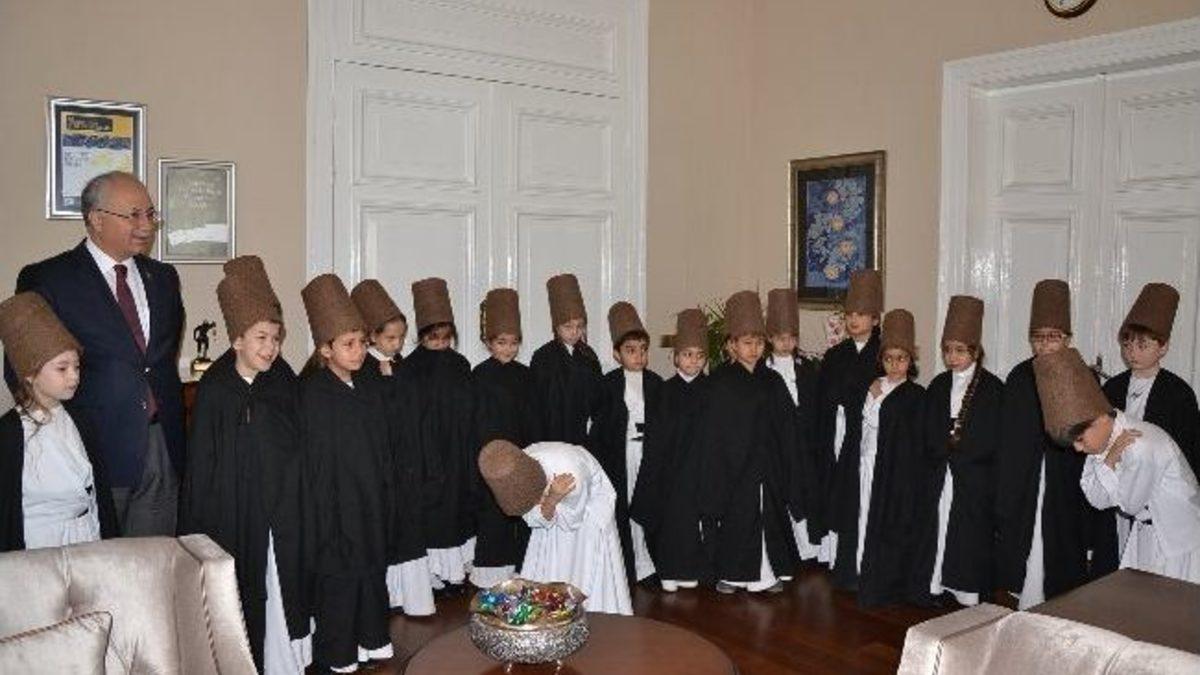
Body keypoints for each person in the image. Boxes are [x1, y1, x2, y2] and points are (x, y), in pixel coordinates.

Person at [10, 171, 184, 536]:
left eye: (150, 214)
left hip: (160, 445)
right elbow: (20, 368)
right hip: (90, 447)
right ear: (96, 219)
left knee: (152, 562)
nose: (146, 225)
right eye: (133, 215)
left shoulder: (164, 278)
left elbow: (160, 359)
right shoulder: (50, 279)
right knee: (97, 563)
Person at [180, 257, 311, 672]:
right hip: (236, 515)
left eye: (276, 338)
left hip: (282, 514)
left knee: (281, 586)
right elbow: (203, 466)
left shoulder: (283, 380)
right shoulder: (216, 389)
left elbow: (298, 444)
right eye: (261, 338)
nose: (270, 348)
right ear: (237, 340)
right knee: (243, 592)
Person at [1035, 348, 1200, 584]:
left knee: (1171, 601)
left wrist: (1107, 463)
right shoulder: (1105, 443)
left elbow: (1130, 505)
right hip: (1146, 533)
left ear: (1102, 418)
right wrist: (1109, 460)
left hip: (1175, 541)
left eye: (1079, 439)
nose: (1078, 449)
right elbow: (1097, 499)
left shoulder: (1140, 445)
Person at [299, 274, 393, 673]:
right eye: (348, 344)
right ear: (326, 348)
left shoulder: (366, 386)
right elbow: (318, 463)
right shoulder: (313, 394)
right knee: (340, 576)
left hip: (368, 499)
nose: (358, 352)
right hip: (336, 507)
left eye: (361, 343)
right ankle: (339, 652)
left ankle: (370, 639)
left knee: (371, 568)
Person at [997, 280, 1095, 609]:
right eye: (1038, 337)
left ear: (1067, 339)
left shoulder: (1082, 375)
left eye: (1053, 337)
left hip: (1065, 478)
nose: (1045, 344)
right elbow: (1010, 437)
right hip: (1025, 476)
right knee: (1025, 542)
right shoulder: (1019, 376)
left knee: (1061, 543)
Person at [697, 291, 799, 594]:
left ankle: (766, 574)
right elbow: (713, 431)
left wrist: (783, 461)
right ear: (732, 345)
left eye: (758, 343)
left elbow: (786, 426)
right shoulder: (719, 383)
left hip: (767, 466)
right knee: (737, 519)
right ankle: (732, 574)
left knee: (766, 519)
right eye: (746, 343)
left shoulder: (773, 381)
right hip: (733, 467)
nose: (754, 349)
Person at [0, 292, 117, 551]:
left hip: (88, 539)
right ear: (30, 374)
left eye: (77, 366)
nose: (74, 377)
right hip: (40, 548)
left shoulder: (80, 420)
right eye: (62, 368)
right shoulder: (10, 434)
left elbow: (99, 496)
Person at [830, 309, 926, 607]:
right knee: (860, 517)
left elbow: (912, 442)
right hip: (864, 465)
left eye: (901, 358)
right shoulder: (872, 386)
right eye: (889, 358)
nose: (894, 365)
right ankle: (855, 571)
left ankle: (880, 577)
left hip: (892, 473)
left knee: (882, 523)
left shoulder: (915, 396)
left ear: (910, 360)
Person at [351, 279, 434, 616]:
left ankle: (410, 596)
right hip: (385, 463)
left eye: (401, 337)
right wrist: (387, 383)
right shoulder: (363, 369)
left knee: (409, 527)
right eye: (390, 338)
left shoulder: (402, 366)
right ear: (372, 336)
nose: (397, 344)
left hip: (407, 460)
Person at [915, 295, 1002, 607]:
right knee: (937, 528)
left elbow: (991, 435)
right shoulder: (939, 385)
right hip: (941, 472)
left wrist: (962, 453)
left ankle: (966, 590)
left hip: (972, 476)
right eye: (947, 350)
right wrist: (941, 451)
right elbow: (927, 428)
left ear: (975, 351)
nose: (952, 357)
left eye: (960, 350)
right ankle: (935, 583)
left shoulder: (992, 388)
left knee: (967, 533)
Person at [478, 439, 632, 615]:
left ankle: (577, 612)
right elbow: (535, 517)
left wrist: (551, 499)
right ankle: (549, 607)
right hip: (556, 504)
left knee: (581, 569)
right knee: (549, 563)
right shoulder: (518, 466)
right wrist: (549, 501)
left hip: (587, 514)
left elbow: (572, 522)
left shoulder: (571, 474)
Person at [395, 277, 476, 594]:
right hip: (426, 455)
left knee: (457, 512)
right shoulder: (410, 369)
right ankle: (433, 576)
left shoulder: (461, 364)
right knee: (433, 517)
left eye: (446, 338)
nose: (441, 343)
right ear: (422, 335)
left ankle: (455, 574)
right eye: (434, 338)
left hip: (457, 451)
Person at [630, 308, 712, 591]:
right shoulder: (663, 391)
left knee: (695, 524)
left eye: (699, 355)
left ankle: (692, 570)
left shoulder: (712, 391)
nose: (694, 361)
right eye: (687, 354)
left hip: (701, 470)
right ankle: (668, 571)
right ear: (676, 357)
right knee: (671, 523)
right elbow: (656, 438)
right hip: (670, 472)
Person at [470, 288, 540, 588]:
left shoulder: (526, 375)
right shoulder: (479, 375)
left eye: (514, 343)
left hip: (522, 454)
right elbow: (476, 422)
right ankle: (490, 573)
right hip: (492, 460)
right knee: (493, 514)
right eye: (501, 343)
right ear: (488, 342)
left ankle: (522, 567)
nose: (509, 349)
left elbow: (534, 417)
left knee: (524, 512)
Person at [589, 302, 662, 584]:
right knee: (624, 507)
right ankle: (626, 565)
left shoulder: (656, 383)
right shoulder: (607, 385)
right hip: (621, 457)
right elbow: (601, 427)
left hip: (649, 455)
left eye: (643, 349)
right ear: (616, 354)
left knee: (647, 505)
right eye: (631, 350)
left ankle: (648, 564)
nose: (639, 356)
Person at [814, 270, 883, 567]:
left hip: (866, 435)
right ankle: (835, 554)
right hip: (837, 430)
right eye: (850, 314)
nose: (854, 320)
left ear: (875, 319)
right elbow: (824, 396)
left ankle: (861, 554)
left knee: (859, 489)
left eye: (862, 314)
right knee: (836, 487)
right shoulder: (835, 355)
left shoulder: (884, 354)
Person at [1102, 283, 1199, 479]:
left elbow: (1190, 451)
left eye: (1142, 346)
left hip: (1163, 482)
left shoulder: (1179, 393)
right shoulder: (1113, 387)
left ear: (1163, 347)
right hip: (1119, 478)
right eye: (1127, 345)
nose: (1132, 353)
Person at [763, 288, 821, 560]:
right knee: (782, 492)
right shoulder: (764, 370)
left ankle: (809, 547)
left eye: (791, 338)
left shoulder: (807, 368)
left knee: (806, 491)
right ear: (770, 338)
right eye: (780, 338)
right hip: (776, 444)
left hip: (804, 442)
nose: (786, 343)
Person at [530, 274, 602, 446]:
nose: (574, 332)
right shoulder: (543, 357)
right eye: (568, 326)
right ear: (556, 327)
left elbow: (599, 399)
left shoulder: (589, 356)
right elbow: (535, 405)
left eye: (580, 326)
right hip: (550, 436)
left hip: (582, 436)